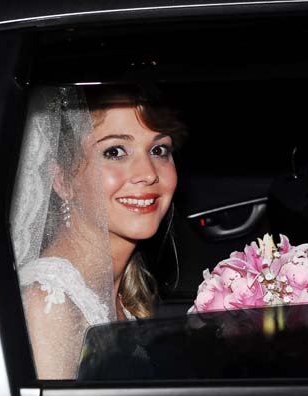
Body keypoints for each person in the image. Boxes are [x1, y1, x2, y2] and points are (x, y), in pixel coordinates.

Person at [10, 85, 186, 379]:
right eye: (115, 151)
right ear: (62, 180)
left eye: (159, 150)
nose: (148, 173)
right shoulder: (50, 306)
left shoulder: (121, 295)